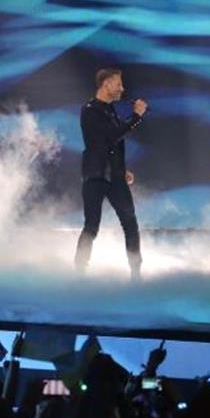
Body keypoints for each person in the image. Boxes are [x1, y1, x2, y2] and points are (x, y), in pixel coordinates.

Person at [74, 67, 148, 279]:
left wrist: (121, 169)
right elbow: (110, 136)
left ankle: (136, 273)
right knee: (91, 225)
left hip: (114, 176)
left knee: (130, 222)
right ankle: (79, 272)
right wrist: (136, 116)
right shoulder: (89, 110)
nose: (122, 88)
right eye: (118, 84)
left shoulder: (110, 110)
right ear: (106, 84)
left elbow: (111, 146)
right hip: (95, 176)